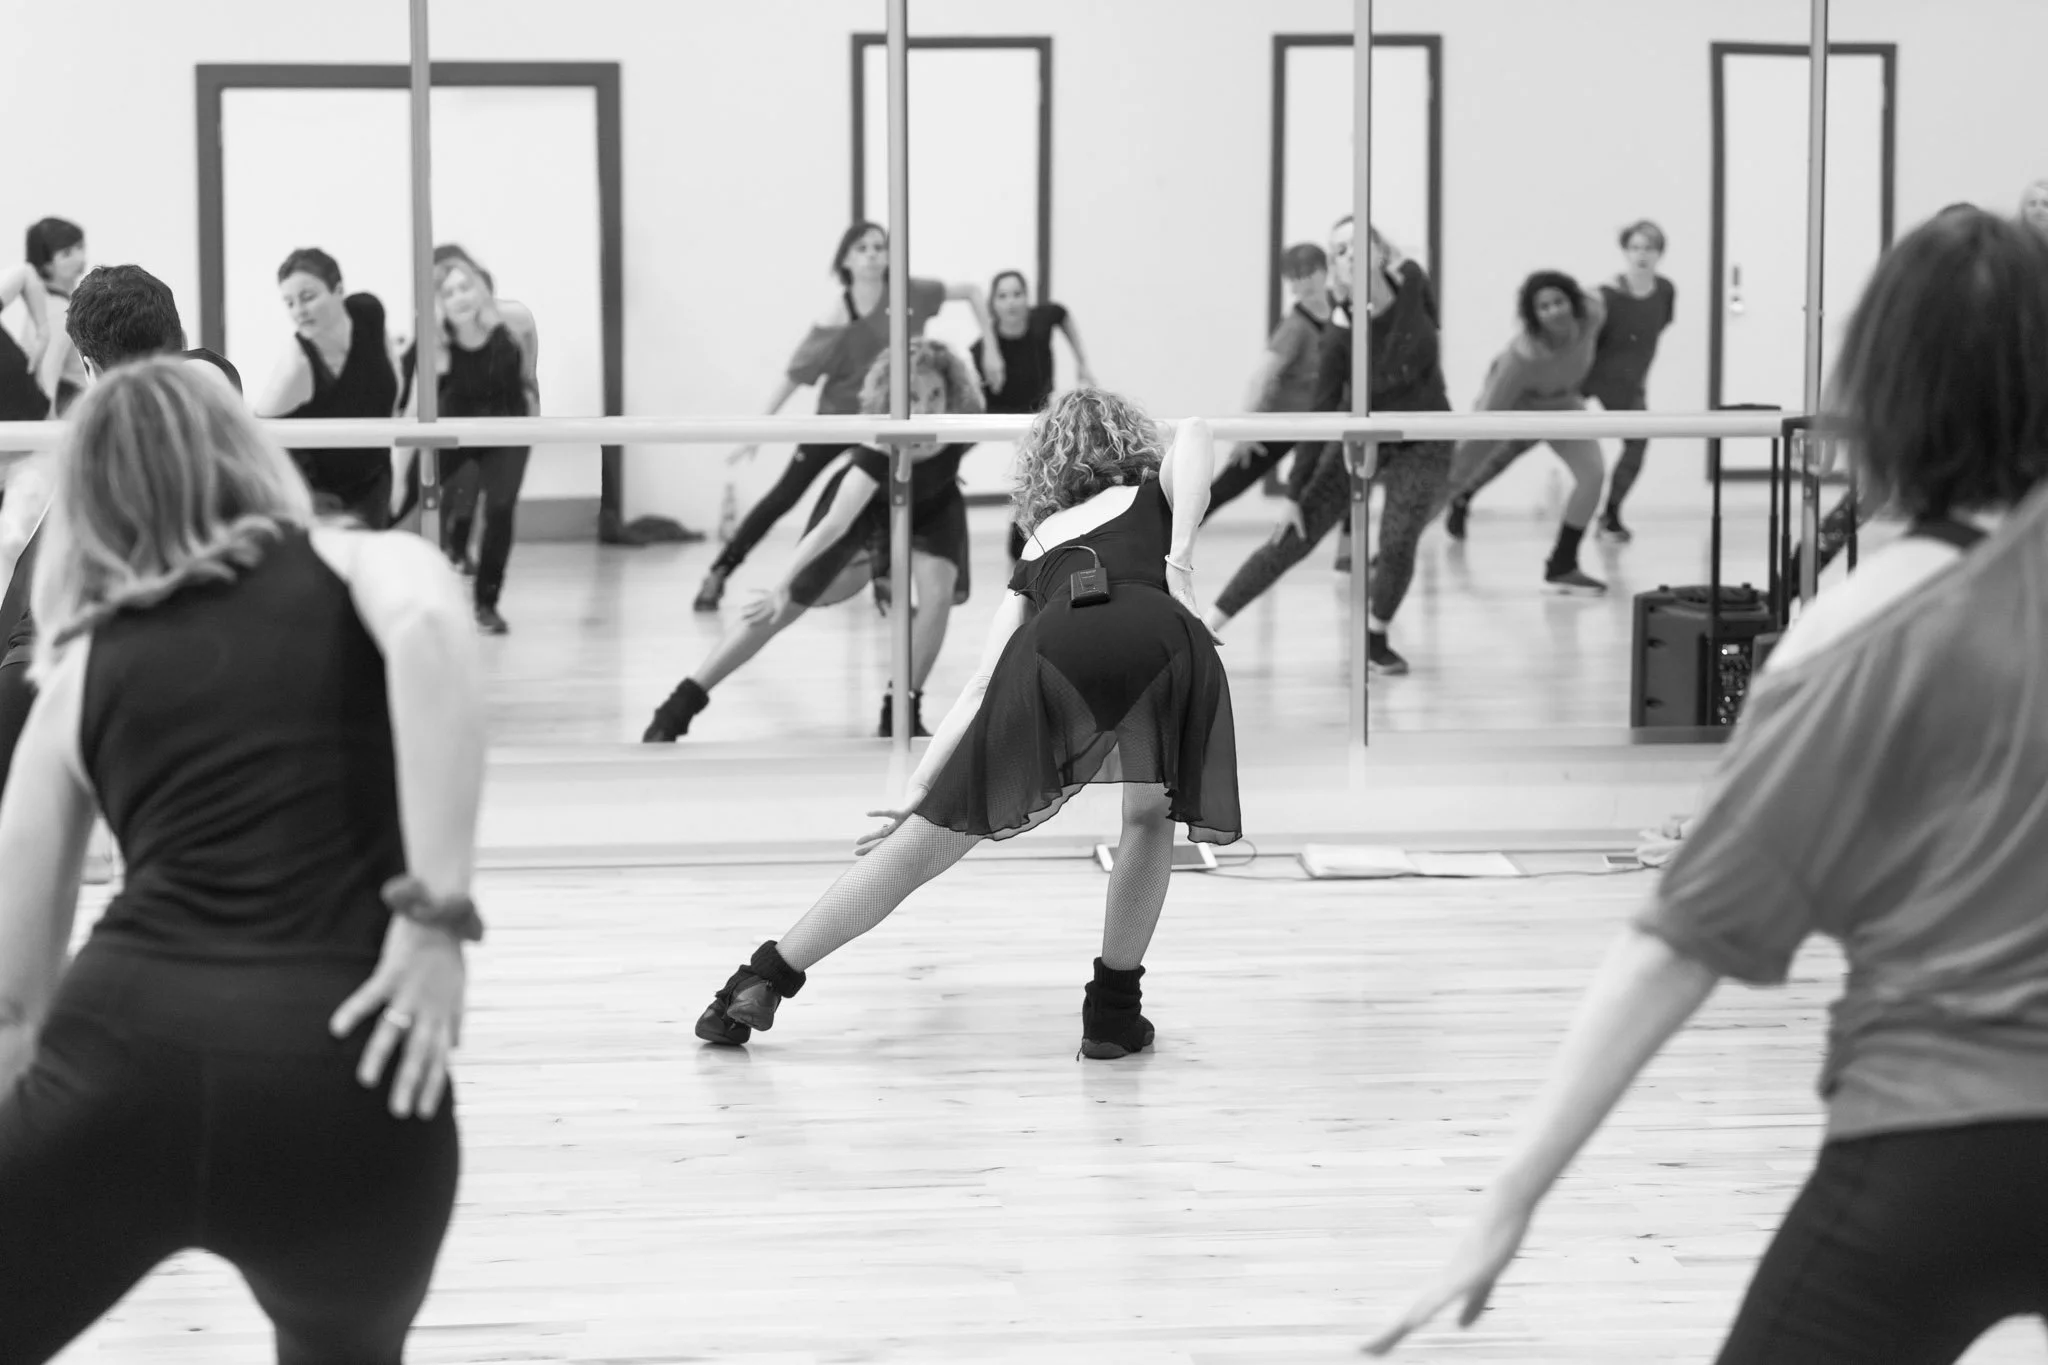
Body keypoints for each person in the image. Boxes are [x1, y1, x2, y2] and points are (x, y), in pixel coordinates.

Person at [1365, 208, 2048, 1364]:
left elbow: (1675, 944)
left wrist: (1506, 1200)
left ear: (1882, 389)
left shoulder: (1854, 632)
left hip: (1933, 1136)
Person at [0, 359, 485, 1364]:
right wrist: (432, 919)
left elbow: (15, 1003)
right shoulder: (366, 567)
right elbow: (436, 628)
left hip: (124, 1055)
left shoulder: (82, 668)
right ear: (246, 452)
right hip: (354, 1076)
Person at [689, 395, 1239, 1059]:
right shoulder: (1158, 493)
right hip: (1162, 636)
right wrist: (1178, 561)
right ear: (1130, 444)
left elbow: (980, 684)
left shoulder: (1040, 543)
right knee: (1148, 815)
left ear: (1047, 464)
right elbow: (1199, 430)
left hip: (1059, 645)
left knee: (929, 838)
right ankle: (1113, 1013)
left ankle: (760, 980)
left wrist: (921, 793)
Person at [644, 339, 983, 742]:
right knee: (784, 606)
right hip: (862, 518)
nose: (925, 409)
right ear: (890, 399)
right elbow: (833, 526)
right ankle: (679, 705)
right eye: (911, 397)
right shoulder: (876, 452)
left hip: (932, 509)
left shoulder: (962, 425)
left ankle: (901, 709)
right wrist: (780, 586)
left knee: (938, 594)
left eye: (935, 395)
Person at [0, 264, 243, 798]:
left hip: (75, 636)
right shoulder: (212, 379)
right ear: (178, 339)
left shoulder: (113, 432)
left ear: (87, 367)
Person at [693, 223, 999, 611]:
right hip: (838, 419)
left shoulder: (913, 292)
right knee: (785, 495)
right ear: (846, 260)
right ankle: (720, 570)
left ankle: (885, 578)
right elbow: (794, 375)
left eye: (879, 246)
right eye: (862, 247)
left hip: (888, 424)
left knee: (896, 490)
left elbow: (972, 291)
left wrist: (991, 348)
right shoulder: (837, 315)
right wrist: (759, 428)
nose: (873, 253)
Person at [1206, 220, 1452, 676]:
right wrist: (1295, 493)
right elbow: (1321, 412)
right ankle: (1206, 631)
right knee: (1291, 536)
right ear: (1336, 265)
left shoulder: (1414, 280)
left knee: (1397, 541)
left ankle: (1375, 636)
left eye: (1359, 244)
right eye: (1340, 250)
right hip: (1357, 438)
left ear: (1379, 250)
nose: (1351, 254)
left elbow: (1429, 323)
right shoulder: (1337, 332)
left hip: (1424, 439)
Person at [1442, 271, 1611, 595]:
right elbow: (1488, 411)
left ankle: (1562, 564)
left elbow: (1613, 304)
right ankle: (1392, 550)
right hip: (1514, 405)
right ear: (1533, 316)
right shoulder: (1522, 356)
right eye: (1543, 307)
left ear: (1572, 302)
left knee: (1593, 475)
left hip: (1564, 404)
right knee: (1456, 472)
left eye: (1559, 302)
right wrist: (1469, 444)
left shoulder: (1593, 312)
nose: (1553, 311)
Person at [401, 250, 537, 634]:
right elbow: (412, 402)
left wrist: (536, 423)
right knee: (405, 503)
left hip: (508, 428)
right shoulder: (434, 340)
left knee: (499, 508)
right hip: (453, 428)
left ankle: (486, 603)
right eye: (448, 292)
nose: (460, 297)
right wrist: (398, 474)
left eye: (465, 287)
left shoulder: (514, 322)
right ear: (437, 303)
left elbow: (528, 376)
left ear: (480, 287)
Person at [257, 247, 403, 528]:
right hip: (316, 493)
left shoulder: (368, 312)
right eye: (289, 303)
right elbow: (258, 433)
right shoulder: (296, 364)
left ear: (338, 290)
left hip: (374, 475)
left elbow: (390, 369)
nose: (298, 311)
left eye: (308, 297)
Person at [1201, 243, 1333, 521]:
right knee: (1224, 489)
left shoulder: (1341, 312)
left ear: (1324, 272)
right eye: (1296, 276)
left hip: (1317, 424)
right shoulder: (1295, 327)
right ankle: (1165, 542)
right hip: (1277, 423)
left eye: (1310, 273)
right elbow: (1260, 377)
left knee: (1335, 487)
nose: (1304, 282)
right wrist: (1246, 429)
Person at [974, 269, 1099, 561]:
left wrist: (1082, 362)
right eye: (1003, 296)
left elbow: (1063, 315)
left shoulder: (1041, 320)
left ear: (1026, 298)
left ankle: (1024, 539)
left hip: (1037, 412)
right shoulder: (984, 348)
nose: (1011, 302)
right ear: (993, 304)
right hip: (999, 413)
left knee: (1037, 466)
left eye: (1017, 294)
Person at [1584, 221, 1677, 542]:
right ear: (1625, 251)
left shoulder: (1665, 291)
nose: (1642, 254)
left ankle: (1610, 515)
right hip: (1589, 375)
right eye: (1635, 247)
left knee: (1638, 442)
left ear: (1659, 253)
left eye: (1649, 248)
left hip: (1627, 384)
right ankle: (1465, 495)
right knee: (1529, 434)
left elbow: (1655, 329)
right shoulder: (1606, 294)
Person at [24, 218, 88, 416]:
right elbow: (46, 377)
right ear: (46, 265)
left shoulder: (46, 304)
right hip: (65, 413)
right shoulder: (56, 312)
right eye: (66, 253)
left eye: (79, 247)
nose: (79, 258)